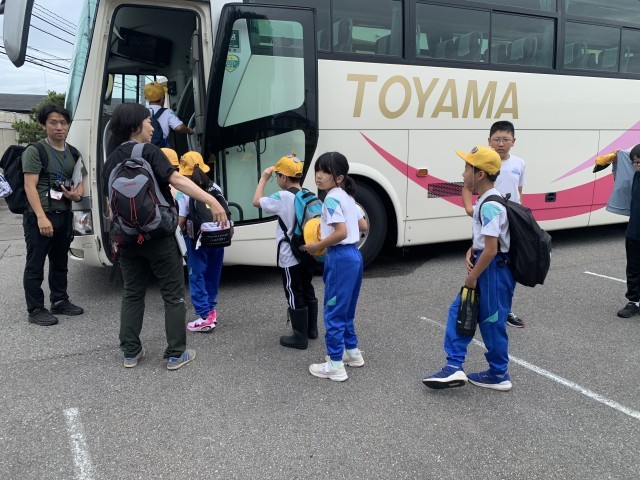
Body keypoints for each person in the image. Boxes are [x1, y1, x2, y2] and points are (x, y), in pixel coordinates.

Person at [103, 103, 227, 370]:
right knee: (172, 295)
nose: (152, 126)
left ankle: (130, 352)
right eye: (148, 121)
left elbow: (110, 207)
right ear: (135, 126)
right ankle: (175, 354)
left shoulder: (110, 160)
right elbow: (178, 181)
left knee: (132, 294)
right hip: (159, 236)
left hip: (128, 239)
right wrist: (212, 201)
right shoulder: (149, 151)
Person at [423, 146, 515, 392]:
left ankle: (499, 373)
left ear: (480, 174)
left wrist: (472, 277)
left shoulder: (490, 205)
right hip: (488, 266)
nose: (463, 173)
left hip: (493, 271)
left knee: (491, 322)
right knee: (460, 311)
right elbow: (488, 242)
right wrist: (474, 248)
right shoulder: (486, 200)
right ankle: (454, 365)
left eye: (467, 168)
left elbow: (492, 249)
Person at [303, 152, 368, 382]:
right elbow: (363, 225)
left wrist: (316, 245)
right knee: (346, 309)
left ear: (339, 177)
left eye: (325, 172)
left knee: (333, 311)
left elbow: (340, 232)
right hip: (354, 255)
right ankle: (352, 352)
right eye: (317, 170)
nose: (319, 176)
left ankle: (335, 365)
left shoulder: (331, 199)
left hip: (339, 257)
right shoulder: (348, 197)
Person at [21, 104, 87, 326]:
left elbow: (81, 181)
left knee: (60, 262)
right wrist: (41, 217)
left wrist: (77, 195)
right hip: (40, 215)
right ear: (44, 125)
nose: (59, 127)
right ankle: (35, 309)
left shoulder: (73, 152)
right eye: (53, 123)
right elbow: (29, 186)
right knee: (35, 264)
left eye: (63, 122)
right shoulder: (35, 150)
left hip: (64, 214)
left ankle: (59, 301)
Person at [462, 120, 526, 328]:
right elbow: (466, 187)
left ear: (513, 141)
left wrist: (520, 216)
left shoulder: (519, 164)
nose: (501, 143)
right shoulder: (483, 163)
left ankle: (504, 309)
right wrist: (470, 209)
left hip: (509, 222)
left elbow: (519, 192)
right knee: (486, 256)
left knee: (508, 268)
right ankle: (484, 305)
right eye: (497, 139)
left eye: (506, 139)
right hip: (490, 216)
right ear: (489, 141)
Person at [252, 154, 318, 349]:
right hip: (307, 252)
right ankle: (311, 330)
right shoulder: (307, 194)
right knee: (307, 287)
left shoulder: (282, 197)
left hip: (290, 255)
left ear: (283, 177)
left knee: (293, 292)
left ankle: (299, 337)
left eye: (277, 176)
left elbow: (256, 201)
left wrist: (264, 178)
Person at [177, 151, 226, 332]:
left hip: (197, 240)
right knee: (213, 273)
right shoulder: (215, 187)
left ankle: (205, 317)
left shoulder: (184, 192)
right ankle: (210, 309)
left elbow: (181, 221)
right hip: (218, 237)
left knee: (197, 275)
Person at [616, 144, 640, 318]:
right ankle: (634, 302)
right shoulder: (636, 176)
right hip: (634, 232)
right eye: (635, 162)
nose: (637, 165)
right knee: (633, 269)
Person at [144, 81, 193, 146]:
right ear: (162, 98)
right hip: (161, 148)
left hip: (144, 147)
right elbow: (179, 128)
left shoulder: (141, 111)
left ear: (146, 98)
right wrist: (189, 130)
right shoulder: (167, 112)